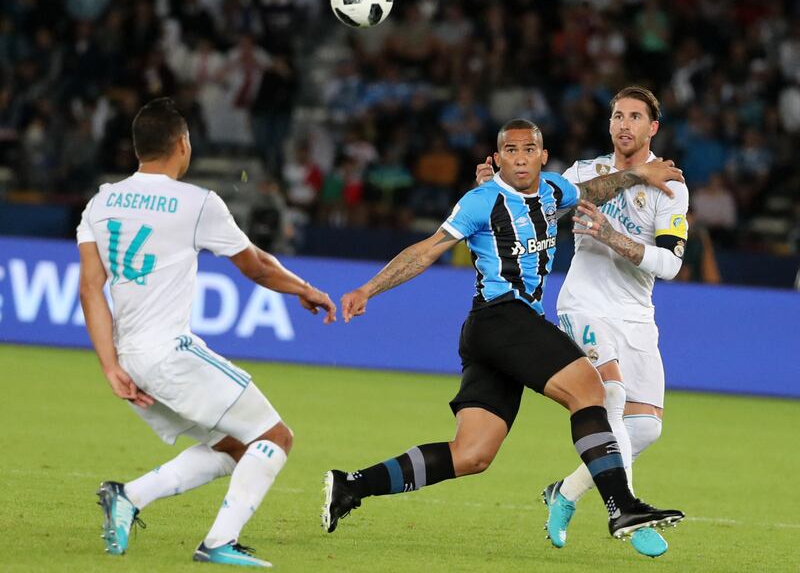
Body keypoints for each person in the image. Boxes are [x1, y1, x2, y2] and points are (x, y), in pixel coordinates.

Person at [322, 119, 685, 548]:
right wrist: (368, 288)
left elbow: (593, 191)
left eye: (529, 149)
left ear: (543, 156)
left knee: (472, 454)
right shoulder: (482, 201)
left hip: (496, 336)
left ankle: (351, 485)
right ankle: (621, 505)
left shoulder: (553, 191)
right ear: (497, 159)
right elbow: (427, 250)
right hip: (501, 318)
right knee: (591, 390)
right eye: (510, 150)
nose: (520, 158)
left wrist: (641, 174)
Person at [77, 98, 336, 568]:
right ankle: (218, 543)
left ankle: (127, 496)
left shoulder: (102, 200)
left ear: (137, 148)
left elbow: (91, 290)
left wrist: (110, 365)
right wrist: (305, 289)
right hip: (170, 353)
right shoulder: (196, 203)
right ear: (182, 145)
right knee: (274, 436)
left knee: (234, 445)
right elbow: (254, 265)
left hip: (131, 355)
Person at [475, 86, 690, 558]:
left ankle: (565, 493)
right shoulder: (583, 173)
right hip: (583, 304)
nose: (624, 124)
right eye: (617, 116)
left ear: (652, 127)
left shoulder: (670, 185)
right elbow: (530, 212)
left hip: (636, 314)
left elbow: (672, 265)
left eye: (635, 116)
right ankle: (628, 513)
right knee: (608, 394)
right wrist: (495, 188)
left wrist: (611, 235)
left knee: (646, 428)